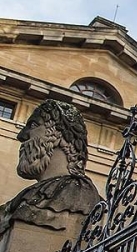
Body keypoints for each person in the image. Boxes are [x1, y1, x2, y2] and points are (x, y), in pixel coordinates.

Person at [0, 100, 100, 236]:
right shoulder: (30, 196)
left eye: (34, 125)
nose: (22, 136)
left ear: (59, 134)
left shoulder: (77, 193)